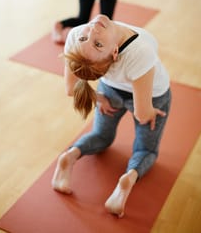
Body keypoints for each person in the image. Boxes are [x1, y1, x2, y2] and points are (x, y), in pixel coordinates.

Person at [51, 14, 171, 218]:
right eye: (96, 44)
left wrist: (99, 98)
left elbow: (70, 89)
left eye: (86, 39)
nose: (92, 32)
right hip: (151, 96)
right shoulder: (140, 51)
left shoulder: (76, 33)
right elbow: (142, 113)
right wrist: (152, 112)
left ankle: (70, 155)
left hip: (109, 92)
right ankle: (129, 178)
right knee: (146, 150)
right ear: (115, 53)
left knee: (101, 135)